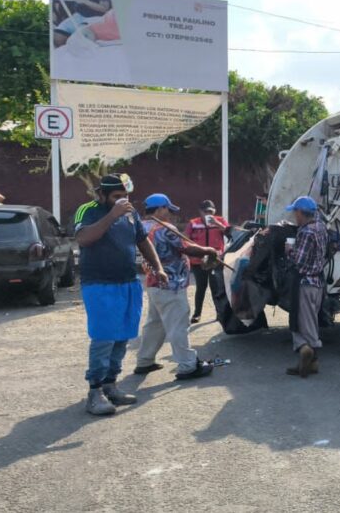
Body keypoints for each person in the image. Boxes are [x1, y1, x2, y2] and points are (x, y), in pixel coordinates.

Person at [74, 174, 166, 417]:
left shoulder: (130, 214)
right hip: (99, 284)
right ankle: (95, 392)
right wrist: (113, 215)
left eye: (125, 196)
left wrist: (158, 267)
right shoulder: (88, 210)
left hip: (128, 282)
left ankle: (110, 385)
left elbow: (143, 241)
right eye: (116, 196)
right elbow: (84, 239)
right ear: (101, 194)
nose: (122, 200)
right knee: (104, 337)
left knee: (122, 337)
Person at [134, 194, 217, 381]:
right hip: (171, 284)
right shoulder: (165, 228)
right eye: (168, 210)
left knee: (154, 324)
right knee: (178, 326)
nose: (170, 214)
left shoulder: (141, 226)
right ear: (160, 209)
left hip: (153, 283)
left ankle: (144, 360)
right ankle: (188, 365)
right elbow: (187, 248)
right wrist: (209, 250)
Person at [284, 196, 327, 378]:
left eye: (295, 212)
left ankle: (306, 350)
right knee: (310, 321)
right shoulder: (321, 227)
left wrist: (289, 250)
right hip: (318, 283)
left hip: (305, 283)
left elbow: (299, 262)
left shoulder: (306, 232)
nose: (294, 216)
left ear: (301, 213)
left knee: (304, 323)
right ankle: (313, 363)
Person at [185, 199, 230, 323]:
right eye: (205, 211)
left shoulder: (220, 220)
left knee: (216, 287)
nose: (208, 214)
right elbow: (185, 239)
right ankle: (197, 314)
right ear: (200, 212)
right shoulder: (193, 223)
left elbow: (229, 233)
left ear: (214, 211)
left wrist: (217, 223)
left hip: (215, 260)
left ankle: (219, 313)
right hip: (198, 260)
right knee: (201, 287)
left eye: (211, 211)